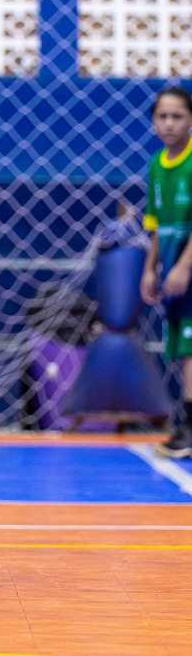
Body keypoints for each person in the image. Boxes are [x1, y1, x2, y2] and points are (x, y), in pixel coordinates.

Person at [141, 87, 192, 459]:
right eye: (163, 116)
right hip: (173, 273)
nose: (170, 123)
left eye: (178, 116)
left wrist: (185, 266)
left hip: (187, 270)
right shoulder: (157, 165)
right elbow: (156, 224)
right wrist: (150, 269)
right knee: (181, 349)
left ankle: (189, 427)